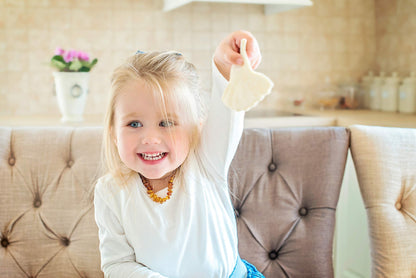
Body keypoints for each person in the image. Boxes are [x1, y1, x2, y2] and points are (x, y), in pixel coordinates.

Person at [94, 30, 265, 278]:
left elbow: (228, 108)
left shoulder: (206, 161)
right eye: (134, 124)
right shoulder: (109, 191)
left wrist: (226, 66)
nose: (150, 138)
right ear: (113, 132)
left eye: (166, 123)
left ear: (196, 128)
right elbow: (116, 264)